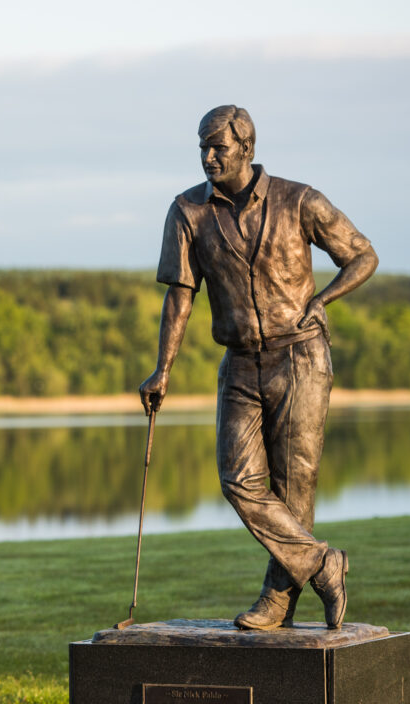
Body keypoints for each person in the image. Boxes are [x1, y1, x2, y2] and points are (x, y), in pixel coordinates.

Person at [139, 105, 378, 630]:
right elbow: (180, 298)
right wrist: (163, 370)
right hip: (240, 362)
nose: (208, 156)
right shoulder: (187, 212)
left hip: (300, 356)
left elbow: (362, 255)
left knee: (295, 486)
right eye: (202, 147)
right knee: (238, 479)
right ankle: (321, 563)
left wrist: (325, 298)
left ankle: (278, 601)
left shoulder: (299, 200)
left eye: (217, 147)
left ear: (245, 147)